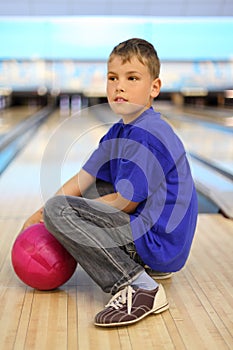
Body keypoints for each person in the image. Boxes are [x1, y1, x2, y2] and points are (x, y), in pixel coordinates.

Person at [22, 38, 198, 327]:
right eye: (113, 78)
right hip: (152, 238)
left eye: (132, 78)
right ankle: (141, 266)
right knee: (63, 205)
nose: (120, 86)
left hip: (158, 244)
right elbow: (83, 179)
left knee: (61, 209)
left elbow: (124, 203)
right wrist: (41, 215)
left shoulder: (147, 135)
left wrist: (66, 218)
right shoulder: (118, 132)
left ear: (154, 87)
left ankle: (140, 286)